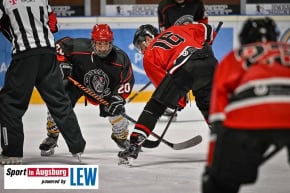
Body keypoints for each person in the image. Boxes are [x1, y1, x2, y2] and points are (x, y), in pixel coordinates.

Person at [201, 17, 290, 193]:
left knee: (220, 184)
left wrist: (212, 168)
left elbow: (218, 115)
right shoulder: (287, 50)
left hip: (249, 115)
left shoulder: (234, 56)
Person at [118, 22, 218, 164]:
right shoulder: (176, 28)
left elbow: (164, 90)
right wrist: (207, 43)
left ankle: (134, 144)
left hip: (185, 69)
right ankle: (227, 140)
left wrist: (180, 101)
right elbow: (208, 30)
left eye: (141, 46)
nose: (142, 50)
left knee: (155, 105)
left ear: (148, 38)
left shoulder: (149, 55)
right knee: (208, 105)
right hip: (210, 64)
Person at [0, 0, 86, 164]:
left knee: (9, 104)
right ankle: (77, 146)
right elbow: (53, 26)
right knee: (59, 101)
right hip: (48, 53)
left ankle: (12, 152)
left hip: (25, 55)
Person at [39, 24, 135, 156]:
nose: (102, 48)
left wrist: (118, 98)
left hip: (107, 90)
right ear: (92, 42)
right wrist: (63, 63)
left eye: (105, 44)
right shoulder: (79, 47)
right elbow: (60, 45)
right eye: (99, 44)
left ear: (111, 43)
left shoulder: (121, 59)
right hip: (77, 82)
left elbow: (127, 81)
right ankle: (52, 136)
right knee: (59, 104)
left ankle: (121, 137)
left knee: (117, 112)